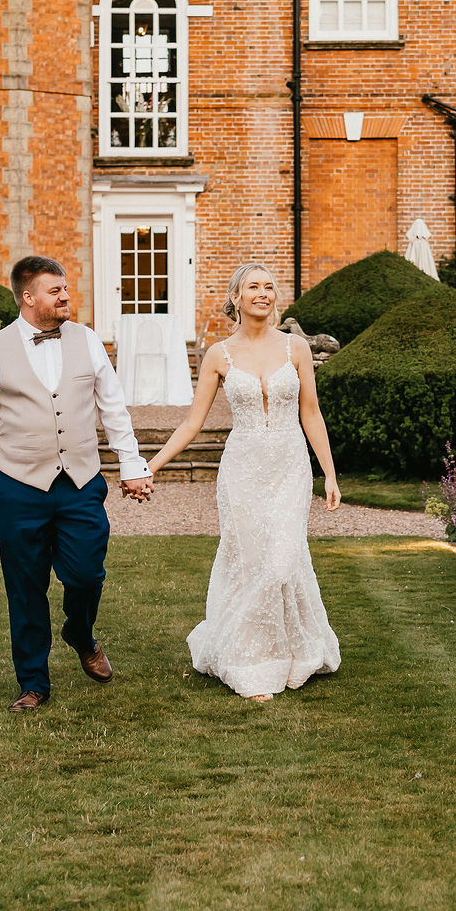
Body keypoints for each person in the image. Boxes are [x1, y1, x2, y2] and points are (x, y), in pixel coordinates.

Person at [0, 255, 153, 712]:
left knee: (86, 572)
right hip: (19, 485)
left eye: (65, 288)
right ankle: (33, 683)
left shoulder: (87, 341)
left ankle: (79, 633)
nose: (66, 296)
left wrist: (132, 464)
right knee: (24, 586)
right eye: (55, 290)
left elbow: (114, 409)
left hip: (80, 482)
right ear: (28, 297)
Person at [146, 262, 341, 702]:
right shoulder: (219, 354)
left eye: (269, 287)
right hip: (243, 471)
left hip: (290, 465)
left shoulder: (296, 349)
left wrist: (328, 472)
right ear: (236, 297)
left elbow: (311, 412)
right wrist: (151, 465)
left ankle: (295, 649)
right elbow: (192, 423)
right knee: (253, 563)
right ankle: (251, 660)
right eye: (253, 287)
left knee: (283, 560)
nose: (263, 294)